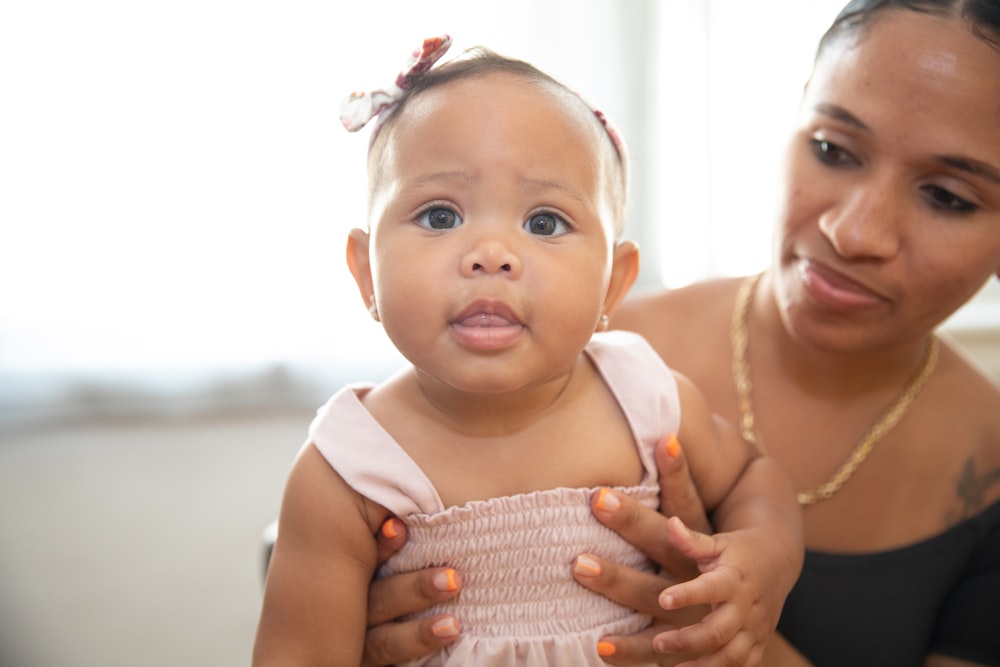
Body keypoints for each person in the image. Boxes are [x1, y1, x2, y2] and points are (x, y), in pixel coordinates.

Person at [361, 1, 1000, 666]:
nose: (855, 232)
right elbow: (329, 532)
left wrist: (727, 636)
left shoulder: (989, 473)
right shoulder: (566, 348)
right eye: (833, 150)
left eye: (948, 196)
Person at [252, 37, 803, 667]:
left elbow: (752, 476)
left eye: (544, 222)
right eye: (439, 216)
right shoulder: (349, 468)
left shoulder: (646, 399)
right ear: (365, 273)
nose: (491, 252)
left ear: (614, 284)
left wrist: (766, 553)